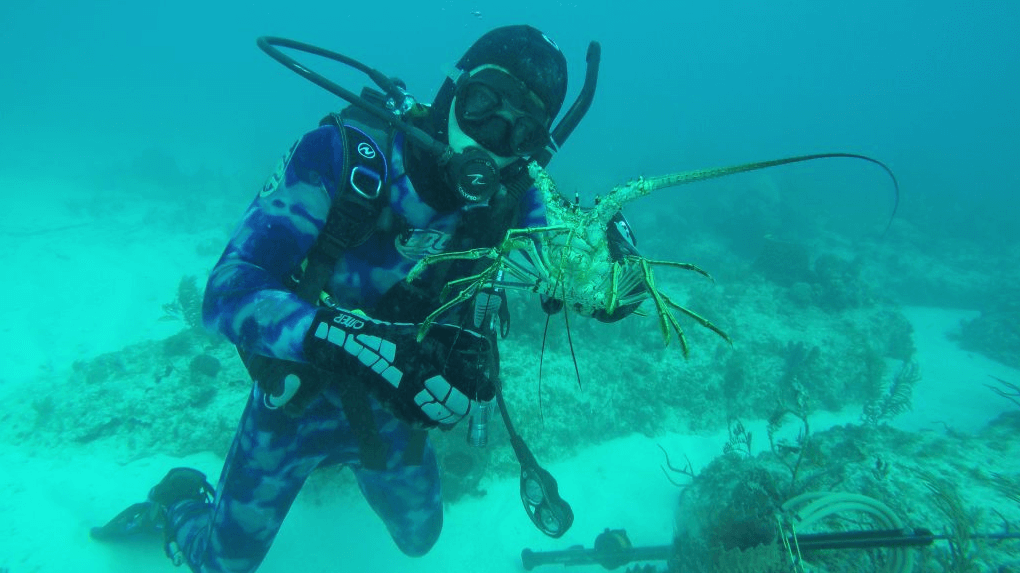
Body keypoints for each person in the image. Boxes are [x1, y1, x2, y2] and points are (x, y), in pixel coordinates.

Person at [92, 24, 640, 572]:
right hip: (294, 403)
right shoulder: (340, 155)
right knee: (219, 565)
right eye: (482, 107)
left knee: (421, 539)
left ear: (533, 150)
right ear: (453, 90)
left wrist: (618, 274)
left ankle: (347, 471)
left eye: (519, 134)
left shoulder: (506, 202)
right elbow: (228, 288)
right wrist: (345, 339)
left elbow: (572, 260)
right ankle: (180, 502)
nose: (490, 141)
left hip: (394, 415)